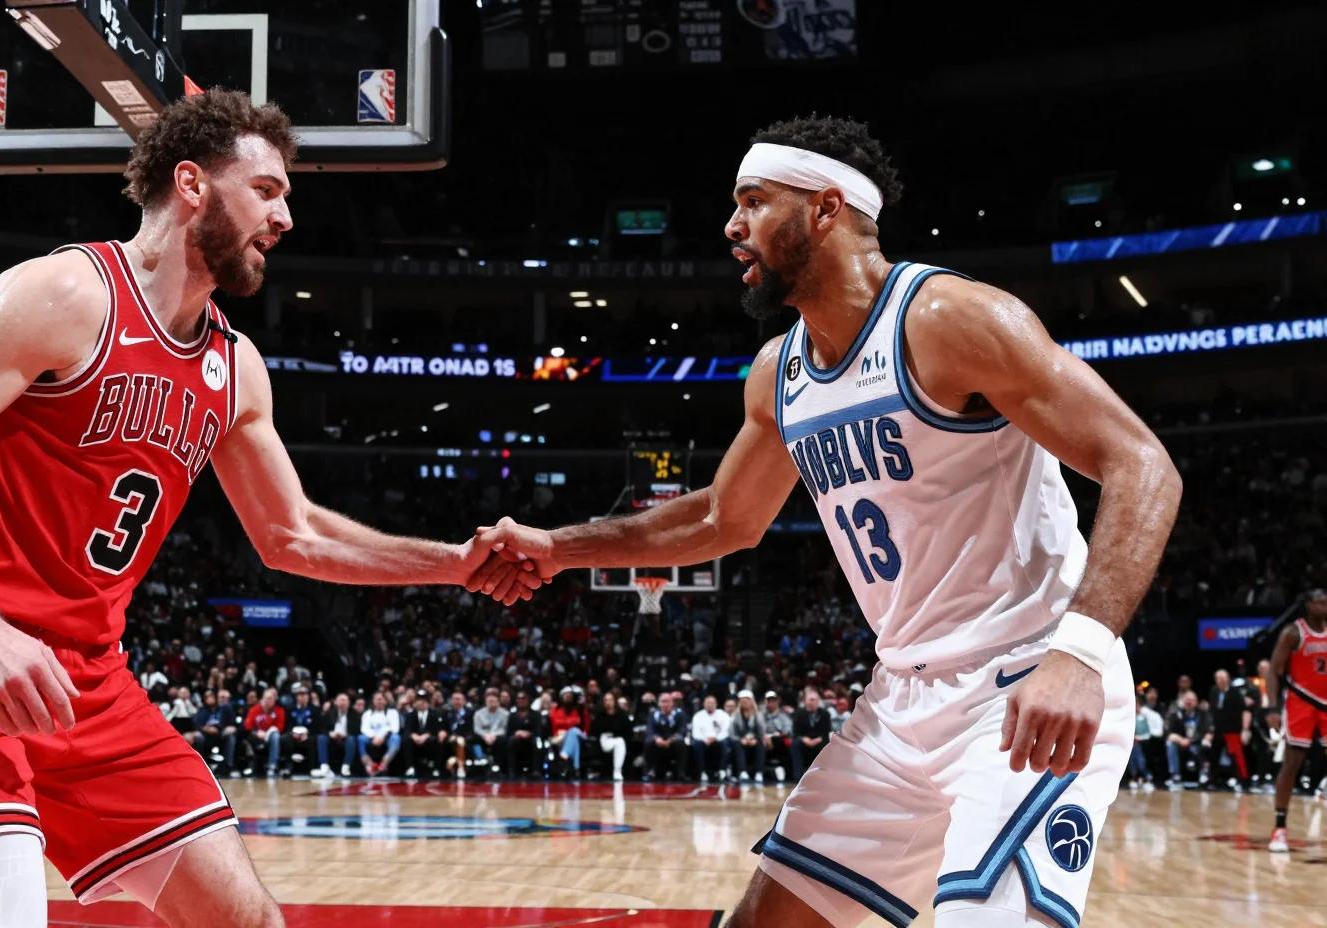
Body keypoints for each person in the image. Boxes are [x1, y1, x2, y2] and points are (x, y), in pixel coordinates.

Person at [0, 89, 537, 926]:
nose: (286, 218)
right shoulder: (67, 293)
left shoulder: (236, 367)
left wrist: (452, 565)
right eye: (269, 190)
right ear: (193, 184)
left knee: (251, 921)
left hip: (90, 685)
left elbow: (293, 534)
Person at [470, 114, 1180, 928]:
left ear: (826, 209)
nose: (730, 226)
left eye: (753, 202)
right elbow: (719, 518)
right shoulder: (780, 371)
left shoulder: (950, 320)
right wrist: (557, 547)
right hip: (900, 702)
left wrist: (1081, 654)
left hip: (1026, 682)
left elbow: (1142, 463)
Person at [1266, 588, 1327, 853]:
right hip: (1301, 701)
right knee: (1292, 762)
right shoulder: (1293, 632)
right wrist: (1271, 707)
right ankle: (1279, 828)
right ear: (1308, 605)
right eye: (1320, 602)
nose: (1325, 605)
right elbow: (1273, 671)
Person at [1207, 669, 1253, 791]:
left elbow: (1245, 711)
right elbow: (1212, 712)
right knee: (1214, 754)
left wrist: (1245, 729)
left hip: (1233, 729)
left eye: (1223, 678)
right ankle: (1213, 780)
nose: (1221, 680)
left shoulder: (1235, 693)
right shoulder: (1213, 691)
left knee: (1237, 756)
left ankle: (1244, 781)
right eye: (1218, 678)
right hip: (1218, 729)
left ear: (1228, 679)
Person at [1165, 691, 1212, 789]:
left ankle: (1204, 773)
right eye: (1187, 700)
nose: (1189, 702)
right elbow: (1169, 733)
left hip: (1198, 743)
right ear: (1182, 701)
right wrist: (1181, 740)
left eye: (1191, 700)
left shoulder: (1203, 714)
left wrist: (1207, 739)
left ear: (1196, 702)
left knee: (1206, 745)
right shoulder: (1176, 714)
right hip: (1182, 743)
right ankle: (1175, 775)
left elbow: (1209, 730)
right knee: (1170, 744)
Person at [643, 693, 688, 782]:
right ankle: (650, 771)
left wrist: (670, 740)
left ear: (672, 703)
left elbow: (682, 730)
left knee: (681, 742)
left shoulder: (680, 714)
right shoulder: (653, 714)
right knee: (648, 741)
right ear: (659, 704)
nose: (667, 704)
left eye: (669, 701)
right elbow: (650, 729)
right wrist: (657, 739)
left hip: (673, 741)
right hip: (658, 741)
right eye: (664, 701)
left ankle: (680, 772)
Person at [789, 689, 832, 781]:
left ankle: (824, 775)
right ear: (805, 701)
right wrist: (804, 739)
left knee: (828, 744)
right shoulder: (799, 714)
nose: (811, 702)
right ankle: (798, 776)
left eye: (813, 700)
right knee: (795, 744)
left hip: (819, 741)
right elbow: (795, 732)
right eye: (809, 700)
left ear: (817, 701)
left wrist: (818, 739)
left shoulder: (825, 714)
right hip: (804, 741)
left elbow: (826, 731)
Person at [400, 692, 445, 778]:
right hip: (415, 738)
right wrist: (413, 735)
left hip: (429, 738)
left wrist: (426, 735)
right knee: (406, 740)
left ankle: (436, 768)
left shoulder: (434, 714)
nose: (421, 703)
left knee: (437, 740)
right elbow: (407, 729)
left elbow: (437, 729)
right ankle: (410, 768)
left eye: (424, 701)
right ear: (416, 703)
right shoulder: (411, 715)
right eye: (419, 701)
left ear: (427, 702)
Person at [314, 692, 359, 778]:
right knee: (321, 738)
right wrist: (330, 734)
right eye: (341, 700)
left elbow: (356, 730)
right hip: (332, 738)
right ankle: (324, 767)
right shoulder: (330, 713)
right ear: (336, 702)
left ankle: (346, 766)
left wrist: (345, 735)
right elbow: (322, 729)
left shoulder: (354, 714)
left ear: (349, 703)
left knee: (351, 739)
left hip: (346, 738)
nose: (343, 703)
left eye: (345, 700)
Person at [590, 691, 632, 782]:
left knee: (620, 741)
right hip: (604, 740)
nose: (608, 702)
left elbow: (627, 731)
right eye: (606, 700)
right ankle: (616, 771)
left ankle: (617, 772)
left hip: (618, 740)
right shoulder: (599, 715)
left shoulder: (621, 715)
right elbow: (595, 731)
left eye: (610, 700)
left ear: (615, 701)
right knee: (619, 741)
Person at [548, 688, 589, 779]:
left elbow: (586, 726)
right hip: (559, 738)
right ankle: (576, 768)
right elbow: (552, 725)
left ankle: (564, 756)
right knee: (574, 740)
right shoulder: (555, 710)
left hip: (579, 735)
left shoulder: (579, 710)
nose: (568, 697)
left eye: (570, 696)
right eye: (566, 695)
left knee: (573, 731)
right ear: (561, 697)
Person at [690, 694, 731, 782]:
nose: (710, 705)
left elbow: (726, 731)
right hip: (703, 741)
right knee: (697, 743)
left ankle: (722, 771)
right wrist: (705, 739)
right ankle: (702, 772)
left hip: (718, 740)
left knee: (725, 742)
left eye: (712, 703)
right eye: (708, 703)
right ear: (704, 704)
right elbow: (695, 733)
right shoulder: (698, 716)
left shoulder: (723, 715)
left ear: (716, 704)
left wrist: (715, 738)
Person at [505, 691, 545, 779]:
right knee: (511, 741)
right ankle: (512, 771)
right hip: (516, 739)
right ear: (516, 700)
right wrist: (517, 733)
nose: (522, 701)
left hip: (531, 739)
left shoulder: (536, 715)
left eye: (524, 699)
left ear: (528, 700)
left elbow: (539, 730)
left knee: (537, 742)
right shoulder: (512, 716)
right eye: (519, 699)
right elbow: (508, 731)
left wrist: (529, 733)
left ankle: (536, 771)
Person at [730, 691, 768, 783]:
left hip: (755, 740)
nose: (745, 702)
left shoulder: (758, 714)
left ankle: (759, 772)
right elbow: (732, 733)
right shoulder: (736, 715)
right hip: (741, 740)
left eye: (747, 699)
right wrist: (741, 739)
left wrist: (755, 739)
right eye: (743, 700)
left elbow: (762, 731)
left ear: (752, 701)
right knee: (737, 744)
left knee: (761, 743)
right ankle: (742, 772)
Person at [359, 691, 400, 776]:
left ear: (385, 701)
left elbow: (394, 728)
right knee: (360, 738)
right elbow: (364, 728)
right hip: (372, 739)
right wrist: (374, 737)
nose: (379, 701)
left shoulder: (392, 712)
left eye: (381, 699)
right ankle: (369, 765)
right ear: (373, 701)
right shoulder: (367, 714)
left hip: (387, 738)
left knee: (396, 738)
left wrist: (382, 738)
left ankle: (384, 764)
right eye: (377, 699)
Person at [472, 690, 509, 776]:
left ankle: (498, 765)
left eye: (495, 701)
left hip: (498, 737)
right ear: (486, 702)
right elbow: (477, 728)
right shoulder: (478, 714)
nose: (492, 703)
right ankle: (480, 762)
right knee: (474, 738)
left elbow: (504, 728)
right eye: (490, 701)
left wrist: (494, 735)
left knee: (503, 740)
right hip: (483, 736)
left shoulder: (505, 714)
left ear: (499, 702)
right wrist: (485, 735)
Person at [442, 691, 475, 779]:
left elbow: (471, 731)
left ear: (464, 701)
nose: (456, 701)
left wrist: (459, 737)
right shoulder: (446, 713)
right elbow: (443, 728)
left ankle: (460, 767)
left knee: (460, 741)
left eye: (458, 699)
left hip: (465, 740)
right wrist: (444, 733)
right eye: (454, 699)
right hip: (449, 740)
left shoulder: (470, 713)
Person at [761, 692, 793, 783]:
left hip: (780, 740)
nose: (770, 704)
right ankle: (760, 773)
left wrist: (774, 736)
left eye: (772, 701)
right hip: (765, 740)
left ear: (777, 702)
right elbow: (760, 730)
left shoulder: (783, 715)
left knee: (785, 743)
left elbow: (788, 730)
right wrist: (767, 737)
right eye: (768, 701)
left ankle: (788, 775)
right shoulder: (762, 716)